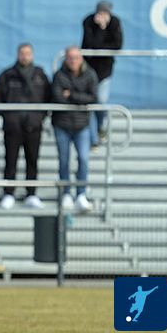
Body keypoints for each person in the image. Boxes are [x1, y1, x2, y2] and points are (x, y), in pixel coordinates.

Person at [0, 43, 52, 209]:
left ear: (33, 55)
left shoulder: (40, 75)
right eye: (22, 53)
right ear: (18, 54)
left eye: (28, 53)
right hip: (13, 128)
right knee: (10, 160)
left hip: (33, 126)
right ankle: (8, 193)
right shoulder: (7, 75)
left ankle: (31, 193)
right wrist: (9, 117)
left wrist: (39, 117)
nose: (25, 56)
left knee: (32, 161)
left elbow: (49, 97)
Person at [51, 46, 98, 212]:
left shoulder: (90, 74)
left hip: (82, 125)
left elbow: (93, 98)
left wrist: (71, 95)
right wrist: (79, 99)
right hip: (62, 125)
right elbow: (57, 97)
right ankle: (66, 193)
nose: (73, 61)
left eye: (76, 57)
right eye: (70, 58)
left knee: (83, 159)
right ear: (65, 59)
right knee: (64, 160)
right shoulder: (59, 75)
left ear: (81, 58)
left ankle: (81, 194)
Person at [81, 0, 122, 147]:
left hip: (105, 69)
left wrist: (104, 28)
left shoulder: (115, 22)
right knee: (90, 102)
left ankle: (101, 126)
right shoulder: (88, 21)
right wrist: (101, 29)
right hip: (89, 68)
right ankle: (94, 138)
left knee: (101, 100)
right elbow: (90, 44)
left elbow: (117, 45)